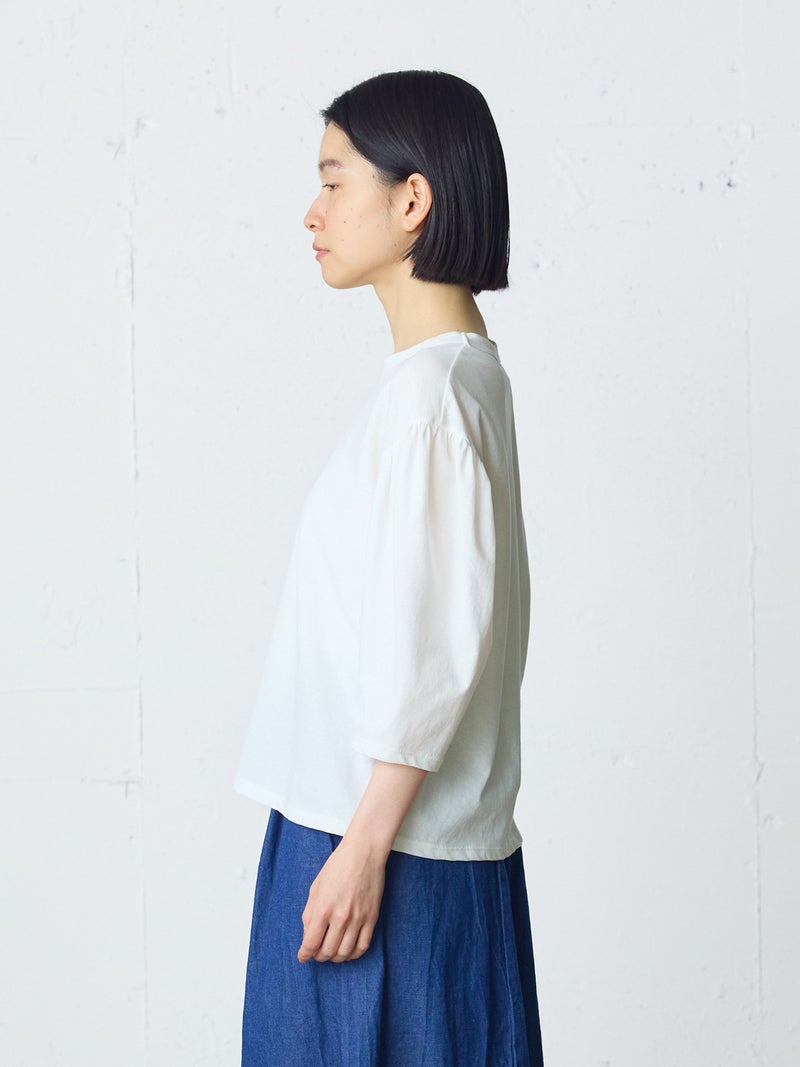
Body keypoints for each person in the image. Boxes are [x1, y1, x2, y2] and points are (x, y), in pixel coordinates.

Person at [234, 69, 545, 1066]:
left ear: (412, 200)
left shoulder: (431, 398)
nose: (312, 211)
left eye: (334, 181)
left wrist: (362, 844)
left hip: (378, 842)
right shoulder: (458, 380)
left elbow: (435, 644)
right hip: (396, 834)